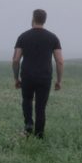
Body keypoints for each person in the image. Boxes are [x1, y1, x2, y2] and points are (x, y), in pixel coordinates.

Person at [12, 9, 63, 138]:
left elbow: (16, 59)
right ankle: (39, 134)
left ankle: (28, 125)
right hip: (44, 77)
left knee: (27, 100)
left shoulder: (23, 37)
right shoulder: (53, 38)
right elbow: (60, 61)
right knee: (40, 106)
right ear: (44, 20)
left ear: (33, 18)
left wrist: (16, 78)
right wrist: (59, 80)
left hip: (27, 76)